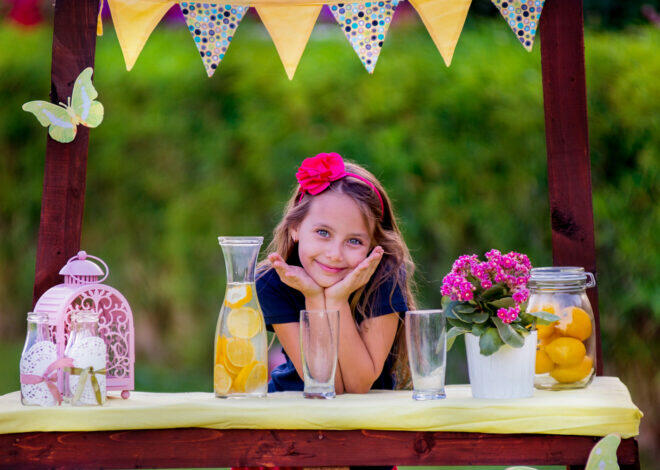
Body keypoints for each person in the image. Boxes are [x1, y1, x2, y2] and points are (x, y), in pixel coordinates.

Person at [257, 152, 417, 394]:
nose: (334, 254)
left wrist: (336, 299)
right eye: (323, 233)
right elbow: (325, 385)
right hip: (293, 410)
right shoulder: (273, 282)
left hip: (373, 421)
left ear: (373, 245)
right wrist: (312, 295)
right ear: (295, 227)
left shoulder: (385, 276)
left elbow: (357, 385)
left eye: (354, 241)